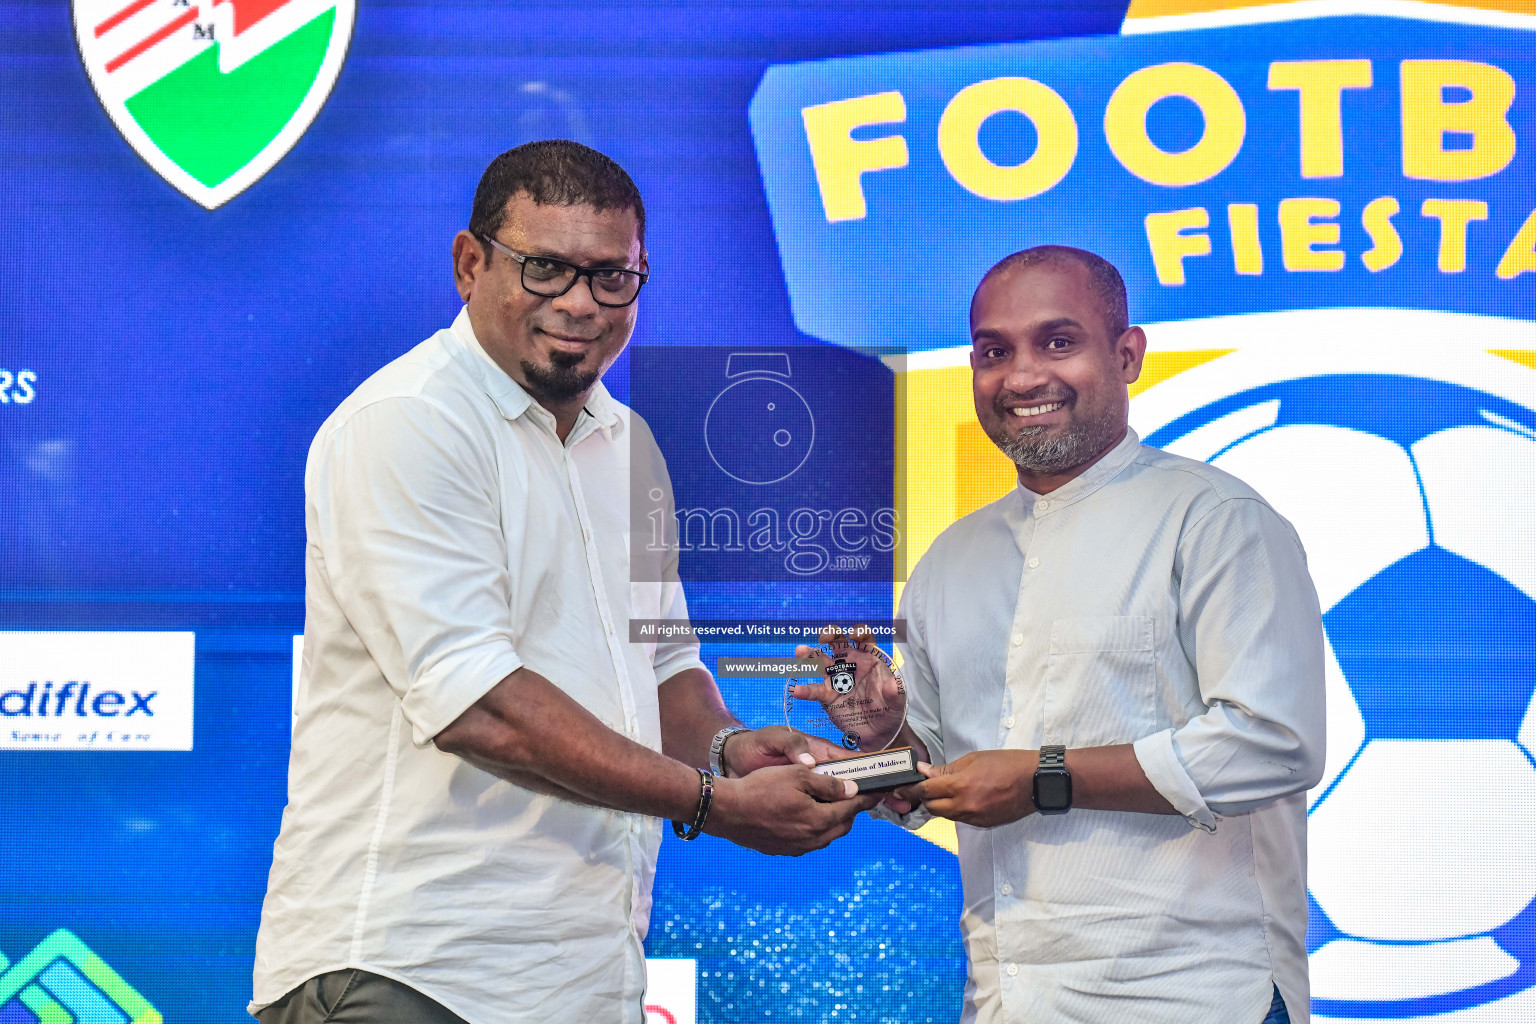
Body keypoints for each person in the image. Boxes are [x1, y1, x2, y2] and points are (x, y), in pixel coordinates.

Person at [250, 140, 875, 1024]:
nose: (580, 304)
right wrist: (714, 803)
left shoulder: (630, 445)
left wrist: (730, 749)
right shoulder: (407, 424)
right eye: (544, 269)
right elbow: (480, 705)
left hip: (582, 977)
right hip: (410, 969)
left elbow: (661, 675)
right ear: (471, 264)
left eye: (611, 277)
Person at [884, 246, 1326, 1023]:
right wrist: (882, 741)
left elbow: (1274, 743)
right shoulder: (950, 561)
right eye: (994, 352)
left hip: (1195, 997)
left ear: (1128, 355)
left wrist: (1042, 777)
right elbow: (937, 781)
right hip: (1007, 1000)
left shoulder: (1217, 520)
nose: (1022, 377)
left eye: (1058, 342)